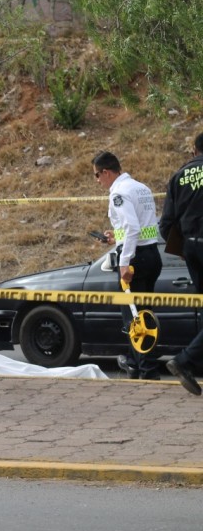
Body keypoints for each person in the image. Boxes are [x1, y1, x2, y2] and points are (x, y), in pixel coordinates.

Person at [92, 151, 163, 380]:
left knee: (133, 320)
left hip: (135, 260)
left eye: (96, 175)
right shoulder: (141, 187)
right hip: (152, 254)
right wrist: (117, 237)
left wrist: (124, 262)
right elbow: (143, 228)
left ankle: (146, 372)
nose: (97, 181)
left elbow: (132, 228)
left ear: (106, 172)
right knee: (145, 316)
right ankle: (137, 365)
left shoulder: (119, 193)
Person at [158, 132, 203, 396]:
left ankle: (190, 361)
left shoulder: (179, 176)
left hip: (191, 248)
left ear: (194, 150)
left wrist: (185, 249)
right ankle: (185, 360)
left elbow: (165, 225)